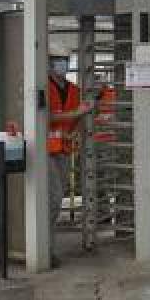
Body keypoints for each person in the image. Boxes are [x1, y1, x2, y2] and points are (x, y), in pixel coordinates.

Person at [47, 55, 93, 267]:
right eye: (58, 60)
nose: (62, 64)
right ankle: (46, 251)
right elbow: (45, 117)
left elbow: (77, 118)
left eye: (65, 60)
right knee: (53, 199)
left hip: (65, 150)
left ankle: (48, 248)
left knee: (57, 197)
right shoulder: (43, 86)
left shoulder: (74, 90)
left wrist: (73, 131)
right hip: (45, 151)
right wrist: (76, 112)